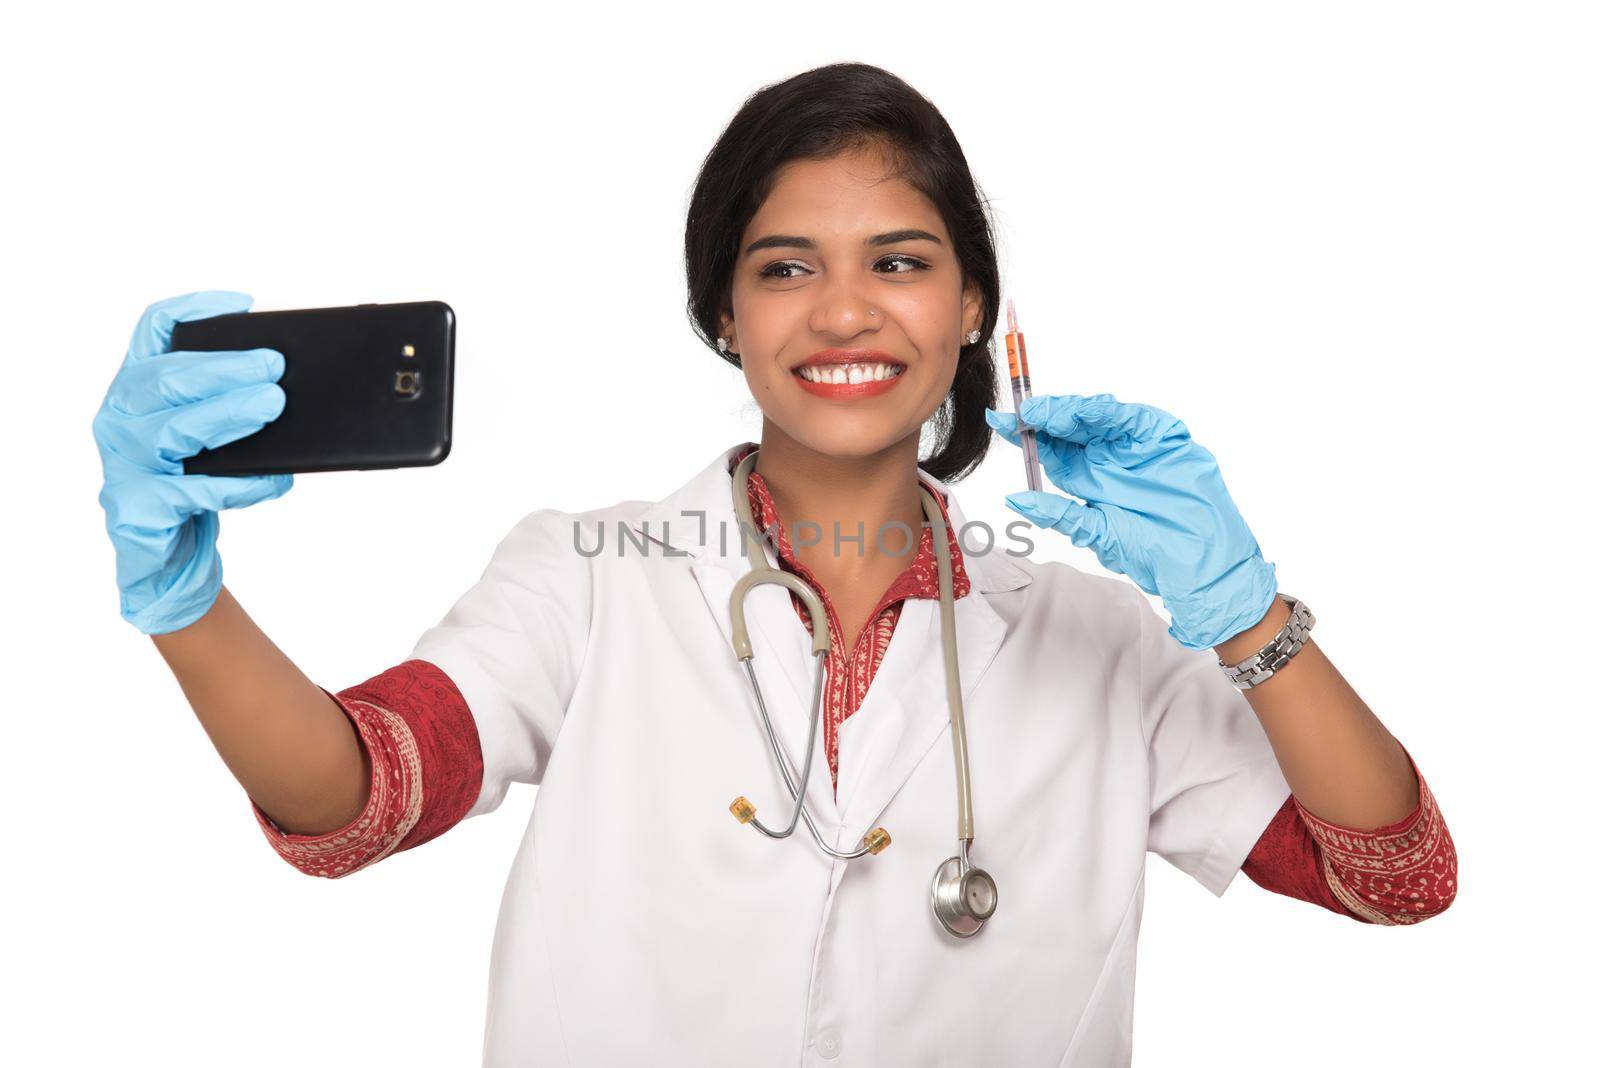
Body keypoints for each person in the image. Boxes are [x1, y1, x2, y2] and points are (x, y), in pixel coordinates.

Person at [91, 62, 1456, 1066]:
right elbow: (357, 801)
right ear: (725, 317)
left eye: (902, 262)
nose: (847, 312)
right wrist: (186, 603)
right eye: (787, 268)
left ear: (973, 307)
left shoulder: (1096, 638)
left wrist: (1244, 617)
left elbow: (1394, 874)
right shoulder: (589, 577)